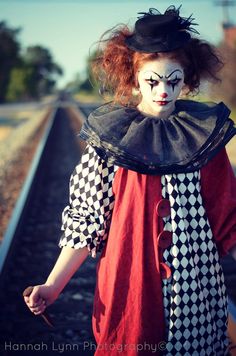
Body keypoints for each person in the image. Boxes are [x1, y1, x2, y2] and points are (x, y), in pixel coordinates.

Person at [24, 5, 236, 356]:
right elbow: (86, 219)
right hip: (130, 280)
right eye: (152, 81)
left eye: (173, 81)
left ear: (186, 79)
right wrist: (53, 284)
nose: (163, 91)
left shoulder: (205, 137)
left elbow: (225, 214)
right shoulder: (110, 140)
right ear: (134, 78)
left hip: (195, 289)